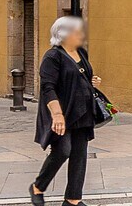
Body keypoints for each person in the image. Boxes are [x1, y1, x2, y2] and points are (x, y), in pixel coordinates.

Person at [31, 16, 98, 206]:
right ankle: (38, 186)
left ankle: (73, 199)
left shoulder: (81, 53)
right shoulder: (53, 56)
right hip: (63, 111)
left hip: (82, 111)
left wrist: (94, 82)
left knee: (80, 155)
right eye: (77, 32)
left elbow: (83, 76)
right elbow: (48, 87)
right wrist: (57, 115)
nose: (82, 35)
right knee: (63, 151)